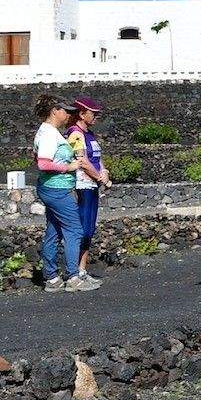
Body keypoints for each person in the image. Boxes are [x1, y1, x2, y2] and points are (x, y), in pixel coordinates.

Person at [32, 95, 100, 291]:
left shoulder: (48, 132)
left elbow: (37, 156)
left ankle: (51, 278)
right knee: (75, 230)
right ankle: (73, 277)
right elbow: (43, 163)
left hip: (51, 187)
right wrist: (69, 166)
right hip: (57, 189)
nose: (69, 114)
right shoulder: (48, 134)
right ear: (55, 110)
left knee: (54, 231)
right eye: (66, 110)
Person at [66, 97, 112, 279]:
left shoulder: (89, 134)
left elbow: (97, 157)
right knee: (82, 228)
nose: (96, 117)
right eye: (93, 113)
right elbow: (82, 161)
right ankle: (75, 269)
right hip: (82, 184)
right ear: (82, 113)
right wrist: (100, 177)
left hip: (92, 184)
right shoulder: (75, 134)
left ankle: (82, 268)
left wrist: (104, 171)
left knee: (89, 228)